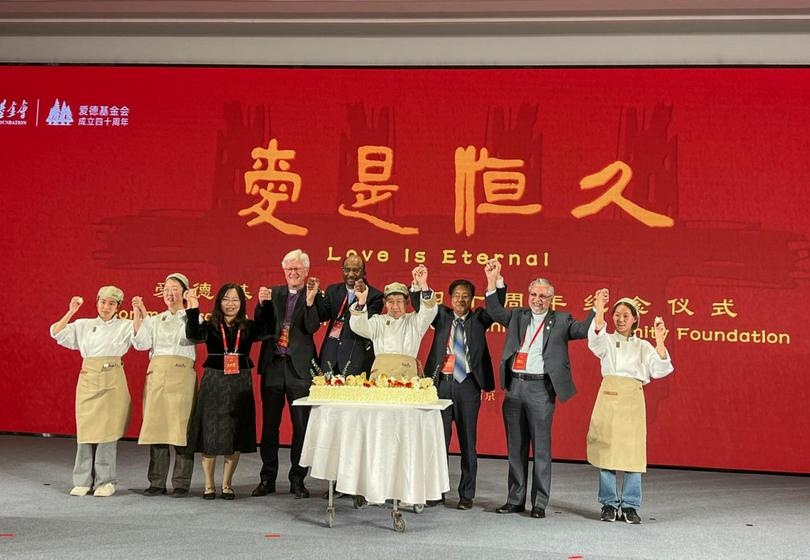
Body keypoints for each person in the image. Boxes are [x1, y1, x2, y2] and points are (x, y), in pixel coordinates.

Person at [485, 260, 598, 519]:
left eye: (543, 296)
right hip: (515, 386)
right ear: (528, 295)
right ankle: (514, 500)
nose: (537, 299)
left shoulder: (561, 319)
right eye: (534, 294)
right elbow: (494, 311)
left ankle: (539, 503)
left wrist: (596, 310)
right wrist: (492, 280)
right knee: (516, 447)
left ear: (551, 298)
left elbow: (582, 330)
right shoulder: (517, 316)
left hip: (540, 389)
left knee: (541, 449)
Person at [413, 265, 506, 510]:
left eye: (466, 296)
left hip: (468, 388)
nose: (461, 300)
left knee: (468, 444)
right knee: (438, 442)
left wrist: (493, 281)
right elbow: (422, 306)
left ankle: (466, 495)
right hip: (441, 387)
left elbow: (497, 308)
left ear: (471, 299)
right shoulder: (441, 316)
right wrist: (422, 284)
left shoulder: (479, 319)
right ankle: (437, 492)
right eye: (456, 296)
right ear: (449, 298)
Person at [586, 291, 673, 524]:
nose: (620, 319)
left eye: (626, 315)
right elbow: (594, 338)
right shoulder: (606, 340)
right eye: (617, 314)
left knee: (633, 454)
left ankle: (631, 505)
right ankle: (608, 504)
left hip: (632, 401)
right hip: (608, 397)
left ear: (635, 318)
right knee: (607, 451)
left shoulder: (643, 346)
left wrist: (660, 342)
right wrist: (600, 308)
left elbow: (659, 369)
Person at [185, 283, 271, 500]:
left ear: (242, 303)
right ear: (219, 302)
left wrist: (265, 305)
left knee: (236, 430)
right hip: (214, 380)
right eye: (226, 299)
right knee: (211, 431)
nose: (230, 304)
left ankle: (226, 484)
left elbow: (268, 330)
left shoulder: (248, 326)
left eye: (235, 300)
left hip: (240, 381)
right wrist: (193, 307)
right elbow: (193, 335)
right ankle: (208, 484)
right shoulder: (211, 324)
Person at [50, 286, 134, 497]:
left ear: (118, 307)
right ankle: (82, 480)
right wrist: (71, 311)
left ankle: (106, 481)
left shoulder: (125, 325)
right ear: (97, 302)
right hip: (88, 379)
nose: (106, 307)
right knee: (86, 431)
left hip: (112, 379)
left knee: (107, 432)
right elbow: (56, 332)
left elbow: (140, 339)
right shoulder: (83, 325)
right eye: (103, 302)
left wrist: (139, 311)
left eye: (112, 303)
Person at [252, 249, 321, 499]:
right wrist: (261, 305)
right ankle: (267, 478)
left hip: (300, 370)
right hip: (273, 366)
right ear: (284, 271)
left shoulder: (315, 294)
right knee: (270, 426)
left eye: (297, 269)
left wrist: (311, 301)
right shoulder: (273, 293)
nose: (293, 273)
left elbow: (312, 326)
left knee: (301, 427)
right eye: (289, 269)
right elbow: (260, 328)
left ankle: (297, 479)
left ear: (306, 272)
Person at [131, 273, 197, 497]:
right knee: (157, 429)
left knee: (181, 429)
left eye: (175, 289)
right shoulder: (155, 320)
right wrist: (138, 316)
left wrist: (192, 307)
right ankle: (157, 482)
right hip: (157, 374)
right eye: (166, 289)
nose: (170, 293)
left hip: (181, 374)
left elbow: (194, 336)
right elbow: (141, 345)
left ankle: (181, 482)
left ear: (185, 292)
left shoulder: (191, 316)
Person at [349, 264, 437, 379]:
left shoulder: (415, 322)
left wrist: (423, 285)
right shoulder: (378, 322)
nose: (395, 306)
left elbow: (429, 311)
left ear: (407, 302)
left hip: (407, 377)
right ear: (385, 303)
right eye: (390, 301)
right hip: (380, 377)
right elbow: (358, 326)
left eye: (399, 301)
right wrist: (361, 301)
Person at [316, 254, 383, 376]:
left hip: (355, 357)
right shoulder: (332, 290)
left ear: (364, 272)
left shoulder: (375, 296)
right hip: (330, 354)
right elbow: (322, 316)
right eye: (347, 269)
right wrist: (314, 296)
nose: (351, 274)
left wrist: (361, 299)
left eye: (356, 270)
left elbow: (365, 325)